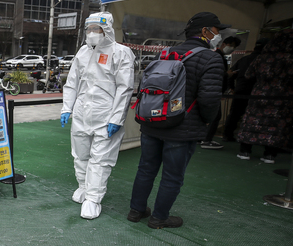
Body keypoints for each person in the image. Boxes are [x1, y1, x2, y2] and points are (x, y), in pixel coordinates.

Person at [128, 12, 226, 229]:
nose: (219, 35)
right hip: (183, 129)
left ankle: (136, 211)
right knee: (172, 176)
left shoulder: (164, 54)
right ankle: (159, 218)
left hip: (151, 122)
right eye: (217, 30)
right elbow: (209, 100)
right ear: (205, 32)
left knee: (146, 168)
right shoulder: (211, 58)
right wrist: (207, 122)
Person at [60, 12, 135, 220]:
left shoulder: (121, 53)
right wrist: (67, 108)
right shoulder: (82, 53)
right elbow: (72, 83)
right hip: (82, 114)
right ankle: (83, 186)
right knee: (80, 154)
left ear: (107, 30)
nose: (92, 33)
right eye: (89, 29)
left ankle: (93, 198)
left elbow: (125, 88)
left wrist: (117, 118)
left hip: (106, 116)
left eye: (97, 29)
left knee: (100, 159)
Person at [237, 29, 293, 163]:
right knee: (277, 126)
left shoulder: (263, 57)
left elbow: (248, 75)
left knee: (252, 121)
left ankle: (245, 150)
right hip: (284, 97)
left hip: (259, 94)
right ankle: (270, 154)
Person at [199, 36, 241, 149]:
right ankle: (206, 140)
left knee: (208, 115)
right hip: (213, 91)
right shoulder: (217, 56)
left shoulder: (218, 56)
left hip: (211, 90)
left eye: (234, 47)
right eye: (231, 45)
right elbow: (216, 74)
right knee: (215, 116)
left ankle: (201, 138)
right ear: (224, 44)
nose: (231, 48)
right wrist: (228, 74)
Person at [223, 38, 268, 142]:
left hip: (241, 90)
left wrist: (232, 88)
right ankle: (250, 138)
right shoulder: (265, 61)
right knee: (255, 116)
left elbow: (231, 74)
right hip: (258, 92)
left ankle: (227, 135)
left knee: (234, 114)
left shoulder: (244, 59)